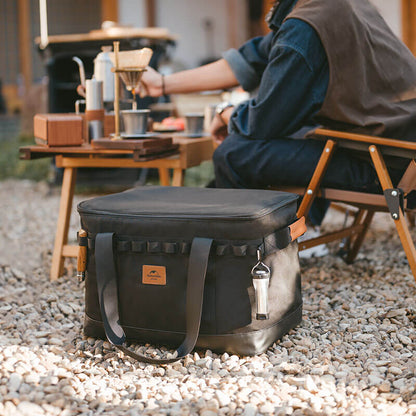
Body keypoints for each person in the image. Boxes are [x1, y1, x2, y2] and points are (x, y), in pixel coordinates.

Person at [140, 0, 416, 230]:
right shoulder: (331, 5)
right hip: (397, 151)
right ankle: (291, 228)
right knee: (298, 132)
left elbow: (264, 121)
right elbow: (250, 59)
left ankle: (254, 250)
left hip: (386, 165)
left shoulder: (306, 26)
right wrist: (161, 84)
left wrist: (226, 114)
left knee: (234, 153)